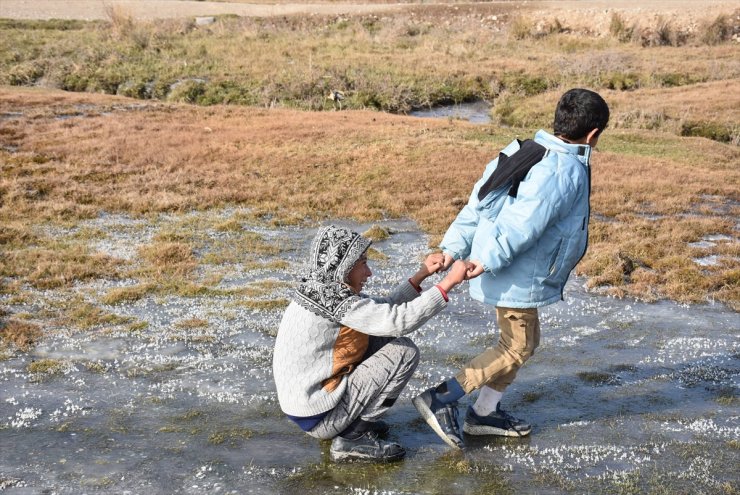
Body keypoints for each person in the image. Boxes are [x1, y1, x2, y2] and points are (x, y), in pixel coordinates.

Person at [412, 88, 610, 449]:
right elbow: (523, 225)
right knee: (516, 346)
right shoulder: (563, 169)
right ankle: (441, 398)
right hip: (515, 271)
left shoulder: (522, 149)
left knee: (525, 342)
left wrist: (452, 247)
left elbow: (478, 204)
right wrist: (484, 260)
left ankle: (485, 412)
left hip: (505, 266)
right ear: (594, 134)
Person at [272, 225, 476, 462]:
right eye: (363, 264)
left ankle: (352, 425)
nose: (369, 273)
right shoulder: (335, 301)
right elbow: (397, 320)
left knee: (378, 336)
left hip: (310, 407)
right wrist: (448, 282)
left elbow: (383, 308)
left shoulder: (321, 288)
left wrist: (421, 275)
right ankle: (353, 438)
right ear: (344, 267)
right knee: (403, 352)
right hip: (320, 416)